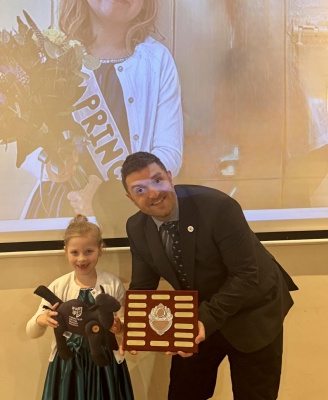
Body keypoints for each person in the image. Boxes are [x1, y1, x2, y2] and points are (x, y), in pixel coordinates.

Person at [120, 151, 298, 400]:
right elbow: (143, 285)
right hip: (199, 314)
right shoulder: (136, 227)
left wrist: (202, 318)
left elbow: (246, 275)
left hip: (253, 311)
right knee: (183, 393)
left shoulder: (218, 207)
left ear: (170, 177)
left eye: (157, 180)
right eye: (140, 190)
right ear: (130, 198)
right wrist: (131, 325)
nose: (153, 194)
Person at [21, 0, 184, 236]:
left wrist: (110, 195)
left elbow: (170, 154)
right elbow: (28, 142)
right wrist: (53, 165)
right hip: (60, 208)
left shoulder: (157, 60)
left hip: (129, 211)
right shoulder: (51, 56)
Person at [26, 214, 134, 400]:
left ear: (100, 249)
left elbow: (126, 325)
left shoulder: (112, 284)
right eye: (75, 252)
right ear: (65, 251)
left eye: (89, 251)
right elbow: (31, 331)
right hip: (68, 365)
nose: (82, 259)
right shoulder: (58, 287)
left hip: (105, 364)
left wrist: (120, 327)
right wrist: (41, 319)